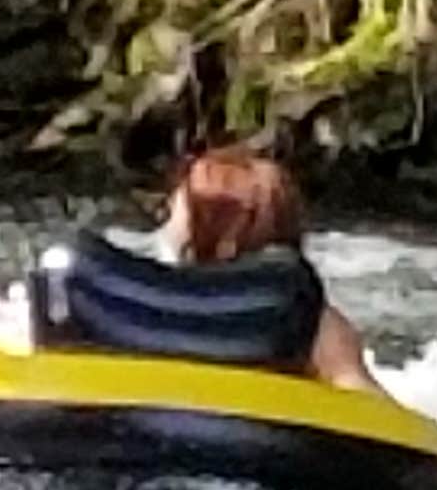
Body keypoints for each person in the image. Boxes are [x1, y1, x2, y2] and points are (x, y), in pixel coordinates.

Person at [159, 144, 380, 393]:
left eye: (177, 209)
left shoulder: (307, 318)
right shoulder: (317, 318)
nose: (166, 210)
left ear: (226, 241)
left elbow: (359, 390)